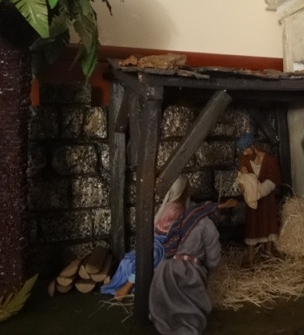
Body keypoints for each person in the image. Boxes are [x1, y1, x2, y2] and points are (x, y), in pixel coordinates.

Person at [101, 175, 190, 298]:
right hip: (159, 240)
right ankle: (122, 284)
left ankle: (127, 286)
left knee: (148, 257)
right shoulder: (174, 208)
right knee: (133, 259)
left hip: (165, 243)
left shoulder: (180, 208)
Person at [149, 201, 222, 335]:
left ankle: (165, 323)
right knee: (189, 306)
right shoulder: (207, 223)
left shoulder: (182, 219)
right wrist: (209, 267)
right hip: (189, 269)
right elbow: (213, 257)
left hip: (166, 268)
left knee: (166, 301)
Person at [235, 133, 282, 265]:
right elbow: (241, 178)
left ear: (253, 146)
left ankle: (269, 252)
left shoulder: (270, 161)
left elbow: (274, 178)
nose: (244, 153)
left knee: (269, 223)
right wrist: (242, 185)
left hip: (267, 199)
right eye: (243, 151)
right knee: (252, 224)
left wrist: (260, 191)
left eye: (246, 149)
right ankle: (251, 256)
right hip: (252, 201)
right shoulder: (244, 160)